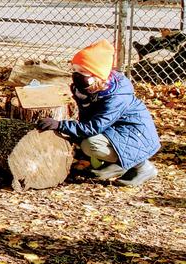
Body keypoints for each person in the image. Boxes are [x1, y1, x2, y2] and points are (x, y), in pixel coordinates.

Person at [36, 40, 160, 187]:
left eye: (83, 71)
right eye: (74, 69)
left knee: (90, 144)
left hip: (136, 136)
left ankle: (143, 166)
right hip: (114, 130)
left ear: (98, 75)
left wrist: (61, 125)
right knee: (85, 143)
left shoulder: (116, 97)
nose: (76, 75)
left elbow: (94, 127)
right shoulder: (89, 88)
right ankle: (118, 164)